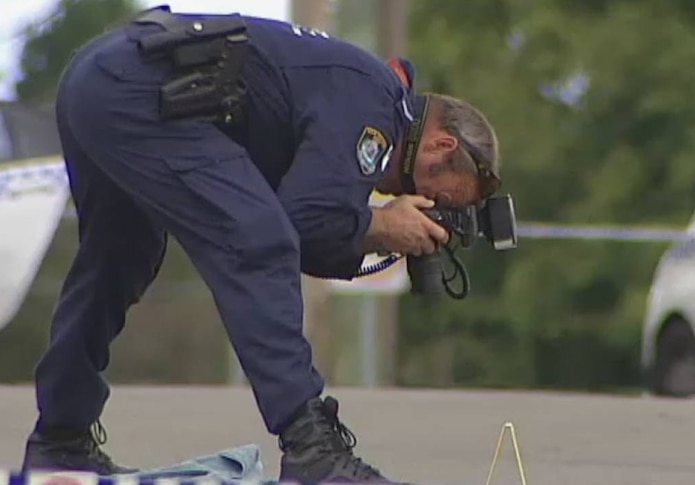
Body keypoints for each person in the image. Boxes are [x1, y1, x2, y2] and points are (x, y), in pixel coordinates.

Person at [20, 4, 502, 485]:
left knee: (116, 260)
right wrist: (379, 226)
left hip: (103, 79)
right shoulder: (376, 109)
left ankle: (61, 439)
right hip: (138, 90)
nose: (422, 203)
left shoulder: (364, 91)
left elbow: (308, 230)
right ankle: (313, 449)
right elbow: (298, 227)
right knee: (258, 239)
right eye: (437, 196)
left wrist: (373, 229)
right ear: (443, 146)